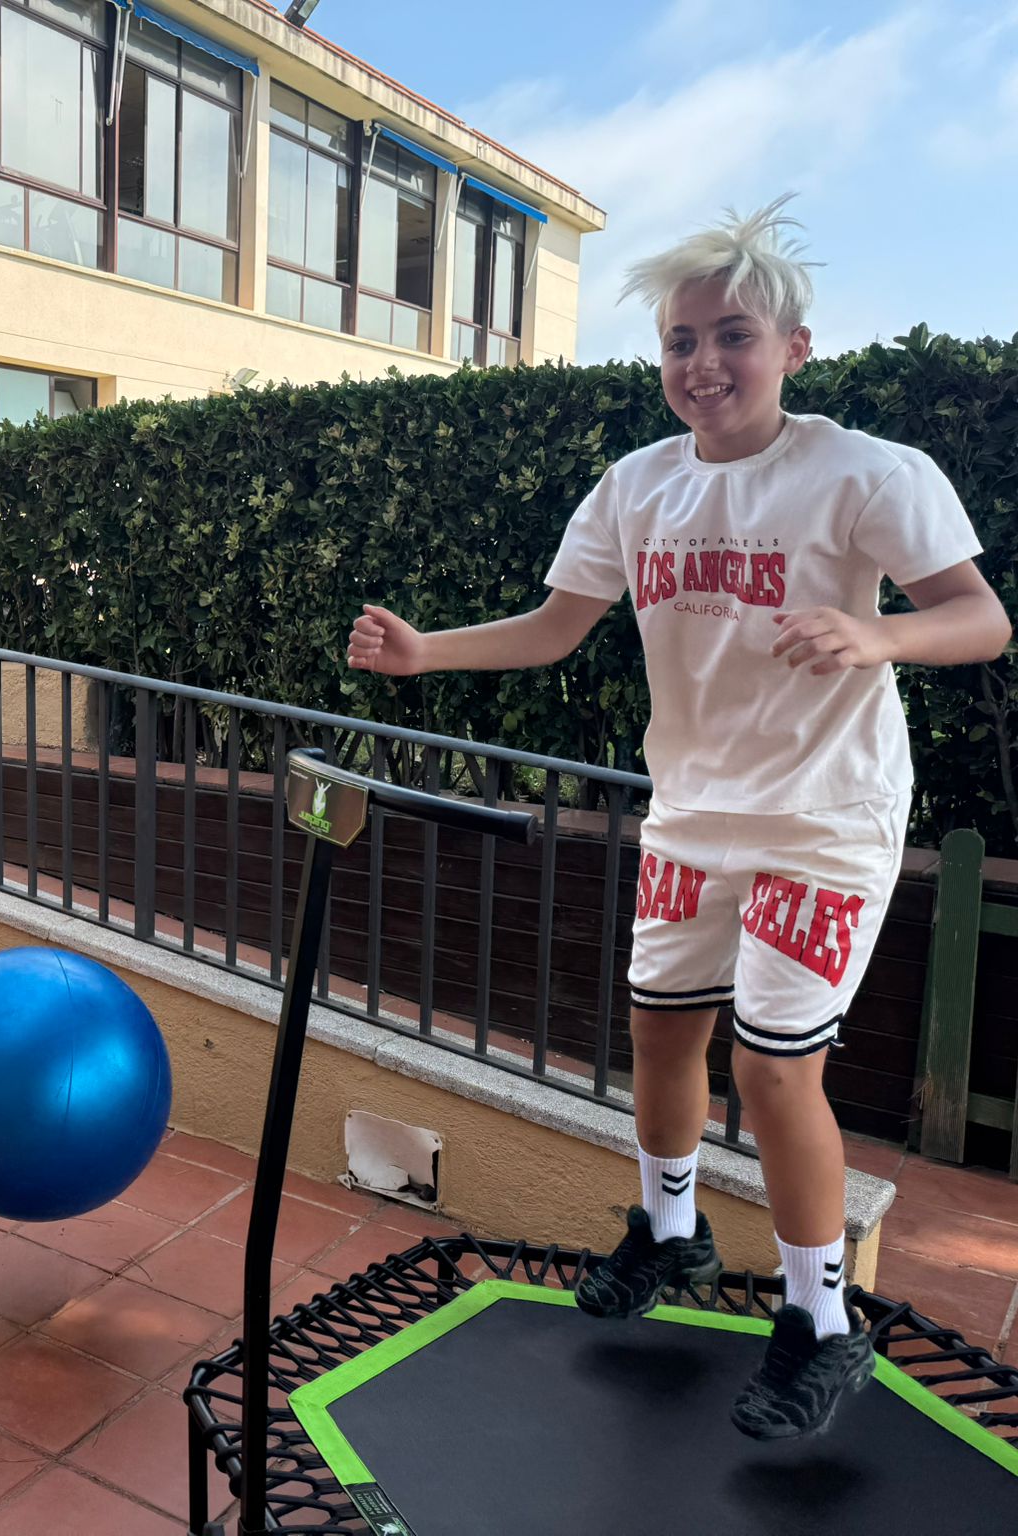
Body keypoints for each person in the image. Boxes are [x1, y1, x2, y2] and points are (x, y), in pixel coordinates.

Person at [347, 197, 1011, 1439]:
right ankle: (668, 1231)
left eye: (731, 336)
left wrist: (875, 633)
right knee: (657, 1038)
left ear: (793, 349)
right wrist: (424, 651)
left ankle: (820, 1321)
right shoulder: (635, 486)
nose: (702, 363)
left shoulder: (863, 473)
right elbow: (554, 629)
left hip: (822, 819)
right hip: (692, 814)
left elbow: (979, 617)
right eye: (679, 341)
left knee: (770, 1067)